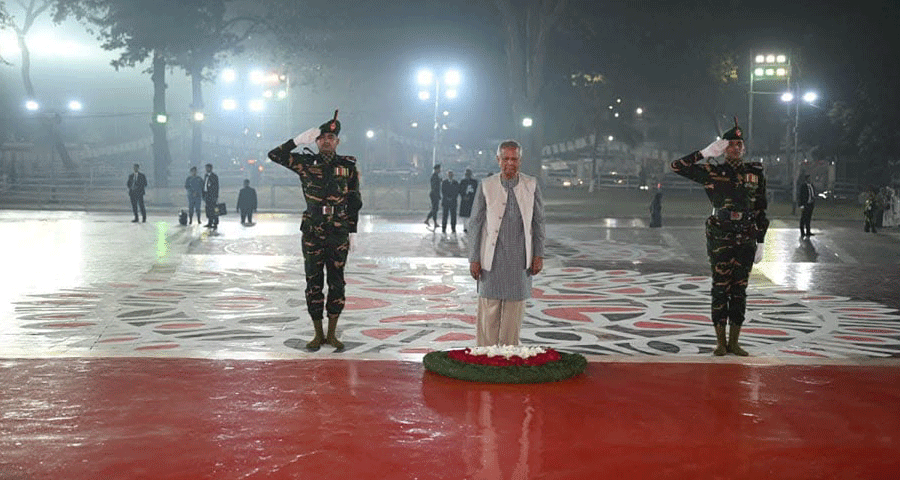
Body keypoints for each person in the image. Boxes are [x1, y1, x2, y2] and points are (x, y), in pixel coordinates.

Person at [670, 119, 769, 356]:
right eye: (731, 144)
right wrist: (704, 153)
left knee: (739, 290)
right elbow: (677, 166)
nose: (736, 147)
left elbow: (760, 210)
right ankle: (720, 342)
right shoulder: (712, 171)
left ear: (744, 148)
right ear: (724, 148)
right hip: (720, 235)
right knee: (720, 288)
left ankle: (735, 341)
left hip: (745, 235)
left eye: (739, 144)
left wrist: (761, 240)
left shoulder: (754, 173)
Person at [267, 110, 362, 351]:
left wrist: (352, 231)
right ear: (316, 141)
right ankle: (317, 333)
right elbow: (274, 155)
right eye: (321, 137)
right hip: (312, 231)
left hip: (338, 231)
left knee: (337, 282)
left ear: (337, 141)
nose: (326, 141)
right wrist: (297, 141)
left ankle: (332, 333)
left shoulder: (348, 166)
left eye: (331, 137)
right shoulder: (305, 163)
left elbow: (354, 200)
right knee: (313, 281)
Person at [468, 140, 545, 346]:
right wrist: (474, 258)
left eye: (514, 159)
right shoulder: (487, 186)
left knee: (513, 316)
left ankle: (509, 358)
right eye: (505, 159)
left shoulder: (531, 185)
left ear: (520, 160)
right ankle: (485, 356)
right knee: (488, 313)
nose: (510, 163)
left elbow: (538, 223)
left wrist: (538, 255)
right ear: (498, 160)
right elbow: (475, 224)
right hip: (490, 260)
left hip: (520, 260)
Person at [458, 168, 478, 233]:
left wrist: (470, 197)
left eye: (469, 173)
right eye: (466, 174)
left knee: (471, 214)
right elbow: (460, 190)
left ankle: (470, 227)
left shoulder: (474, 182)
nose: (467, 175)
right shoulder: (462, 181)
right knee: (464, 215)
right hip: (464, 200)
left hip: (471, 200)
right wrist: (463, 196)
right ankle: (465, 227)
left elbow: (475, 191)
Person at [202, 163, 219, 229]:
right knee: (208, 209)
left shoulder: (214, 176)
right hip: (207, 195)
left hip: (212, 196)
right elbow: (205, 185)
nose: (206, 169)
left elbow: (216, 187)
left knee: (214, 210)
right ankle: (210, 222)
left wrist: (216, 196)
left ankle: (215, 223)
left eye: (207, 168)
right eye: (206, 168)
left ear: (211, 168)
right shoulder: (205, 176)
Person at [424, 164, 441, 229]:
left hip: (435, 194)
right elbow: (434, 187)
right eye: (439, 169)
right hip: (434, 195)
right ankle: (434, 222)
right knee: (435, 209)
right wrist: (436, 195)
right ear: (436, 169)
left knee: (435, 209)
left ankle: (427, 220)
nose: (440, 170)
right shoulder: (434, 177)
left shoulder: (436, 176)